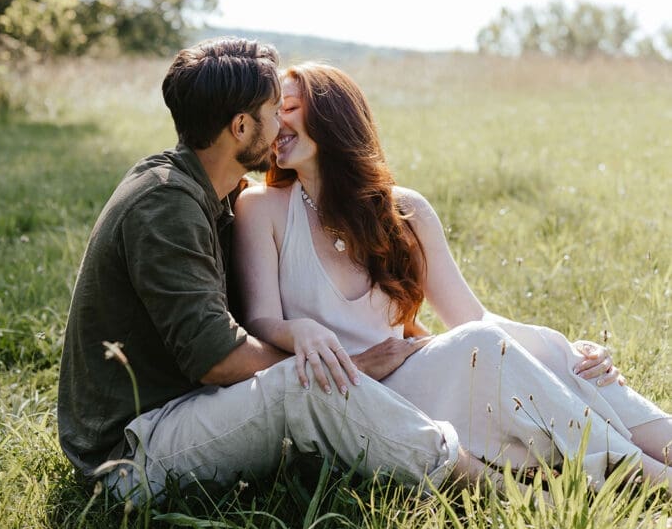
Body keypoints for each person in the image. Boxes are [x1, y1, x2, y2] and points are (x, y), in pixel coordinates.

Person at [57, 38, 496, 504]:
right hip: (132, 453)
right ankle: (487, 488)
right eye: (273, 109)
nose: (281, 120)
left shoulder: (218, 193)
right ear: (242, 127)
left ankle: (513, 447)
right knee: (308, 388)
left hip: (191, 414)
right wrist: (354, 366)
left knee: (321, 383)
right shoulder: (164, 205)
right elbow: (218, 358)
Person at [233, 62, 672, 492]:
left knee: (562, 359)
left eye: (287, 108)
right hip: (355, 397)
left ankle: (660, 445)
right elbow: (261, 320)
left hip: (411, 373)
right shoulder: (261, 208)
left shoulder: (404, 210)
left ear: (333, 115)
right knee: (478, 346)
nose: (275, 124)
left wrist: (564, 347)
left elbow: (470, 315)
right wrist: (301, 331)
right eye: (274, 113)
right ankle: (648, 477)